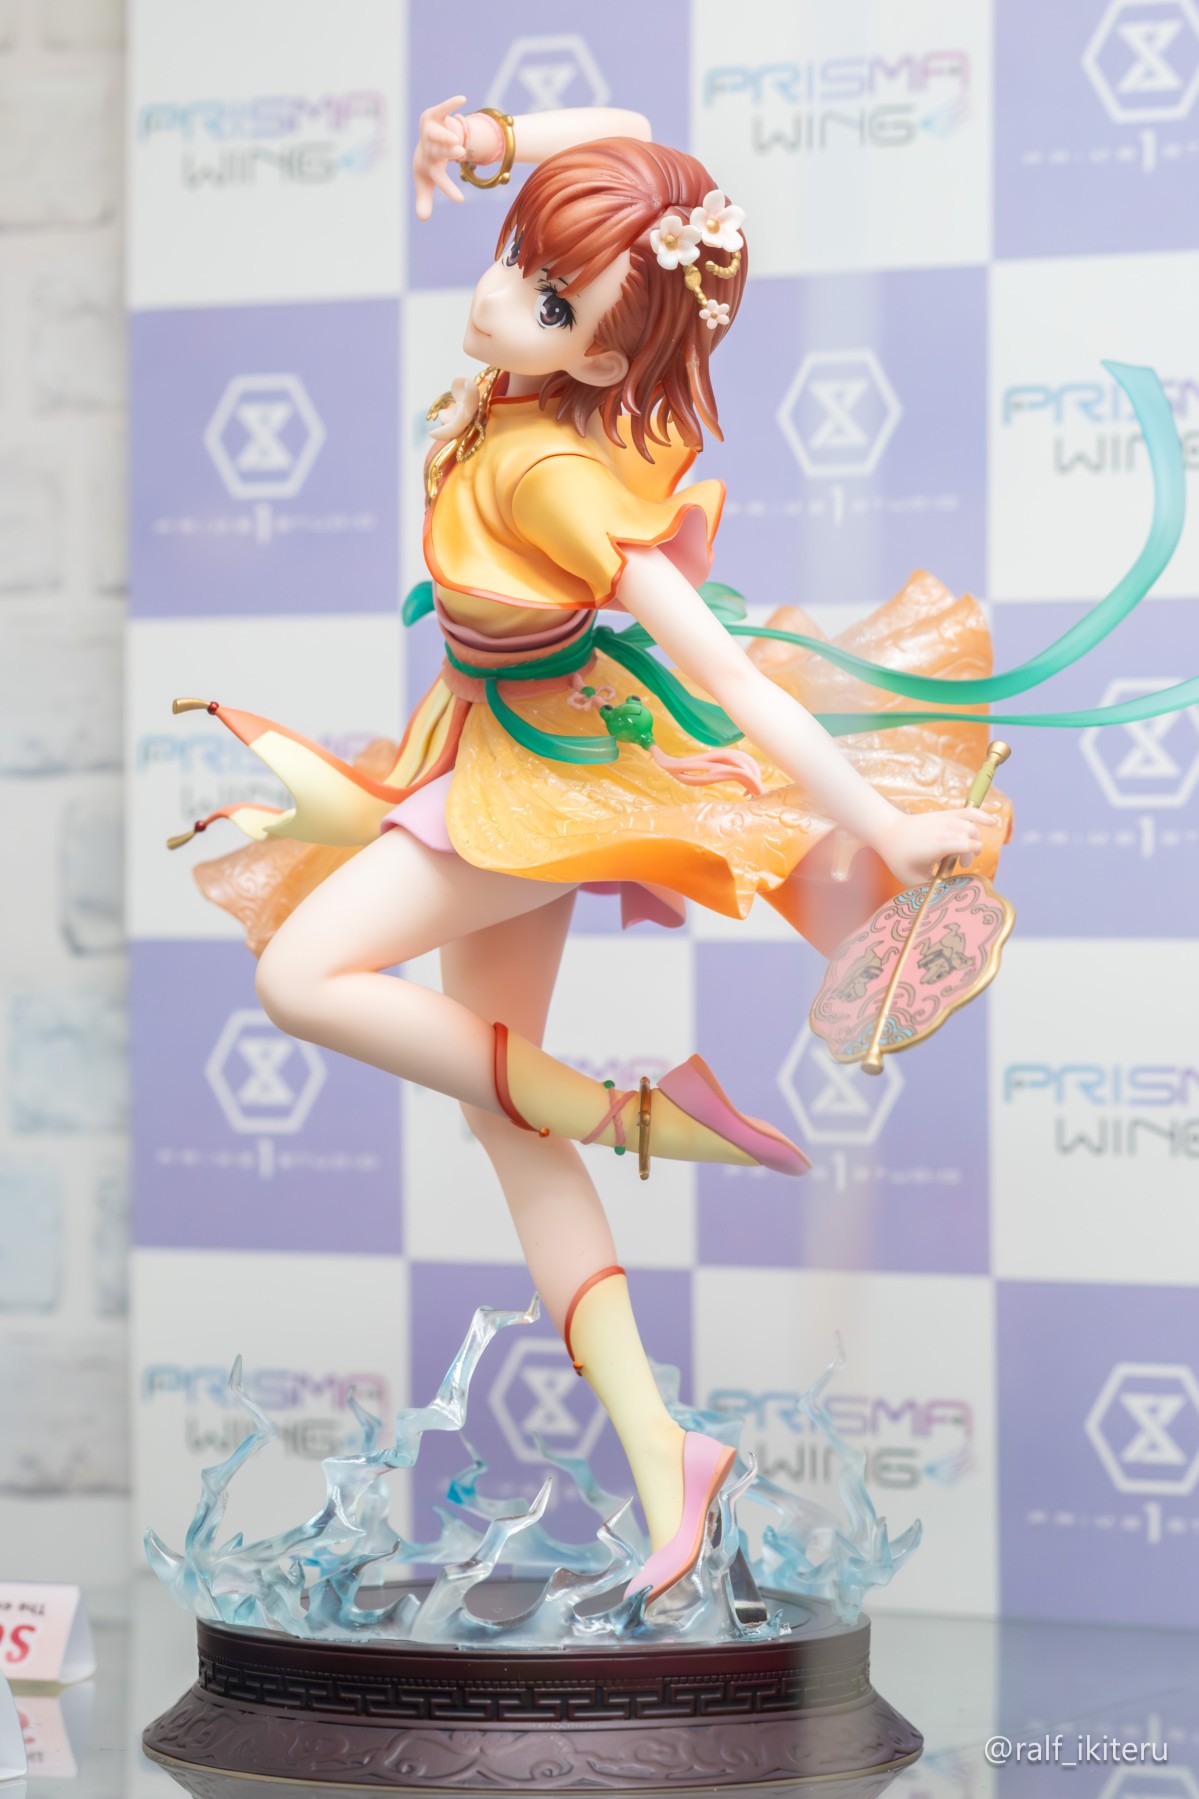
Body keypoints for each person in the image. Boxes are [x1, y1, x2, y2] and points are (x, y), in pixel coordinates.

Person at [170, 100, 1007, 1606]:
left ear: (609, 360)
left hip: (534, 789)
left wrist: (878, 820)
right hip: (484, 752)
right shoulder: (525, 386)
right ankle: (665, 1450)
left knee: (300, 975)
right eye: (516, 258)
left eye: (549, 298)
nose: (502, 296)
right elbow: (621, 127)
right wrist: (497, 133)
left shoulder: (553, 474)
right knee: (506, 1124)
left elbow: (730, 674)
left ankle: (640, 1113)